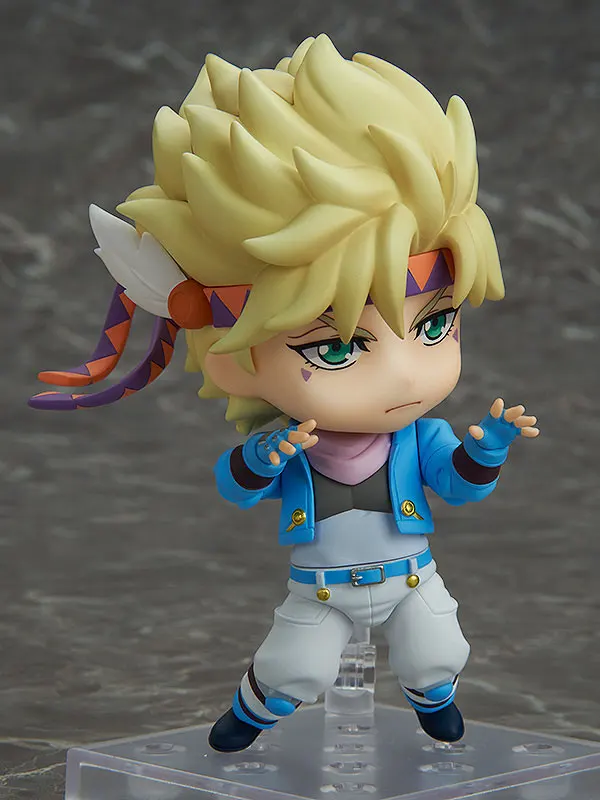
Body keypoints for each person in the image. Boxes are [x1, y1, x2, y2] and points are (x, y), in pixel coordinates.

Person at [29, 34, 539, 753]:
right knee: (294, 669)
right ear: (234, 361)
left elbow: (455, 483)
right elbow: (235, 485)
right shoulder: (292, 445)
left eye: (434, 325)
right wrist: (262, 458)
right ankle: (254, 711)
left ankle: (432, 698)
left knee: (436, 651)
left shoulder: (417, 438)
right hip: (321, 590)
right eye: (336, 348)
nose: (404, 375)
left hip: (413, 579)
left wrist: (486, 451)